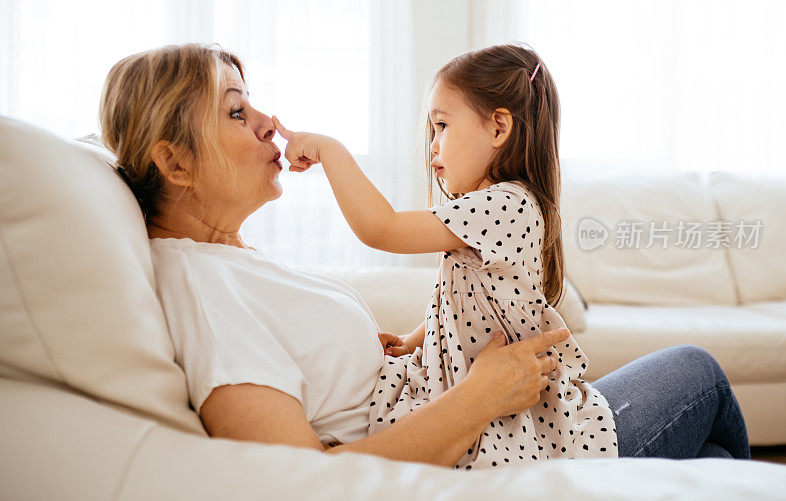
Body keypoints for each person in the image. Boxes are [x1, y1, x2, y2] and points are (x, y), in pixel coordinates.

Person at [99, 42, 751, 470]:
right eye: (237, 112)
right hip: (485, 439)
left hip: (482, 419)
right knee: (699, 372)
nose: (270, 121)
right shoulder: (202, 290)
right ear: (175, 161)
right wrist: (481, 397)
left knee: (715, 464)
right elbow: (297, 479)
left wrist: (412, 346)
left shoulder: (231, 261)